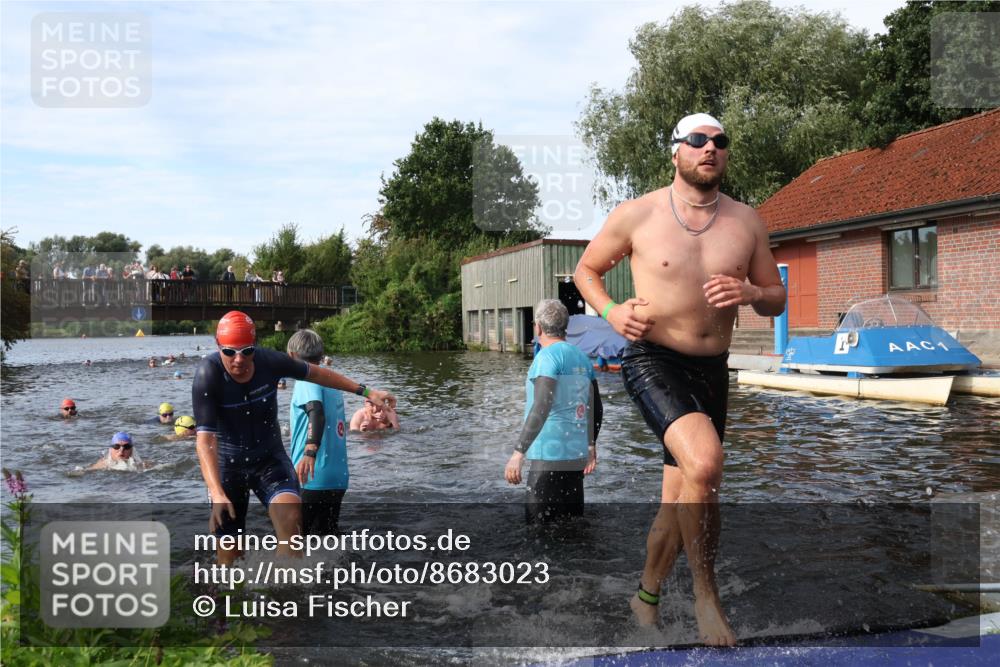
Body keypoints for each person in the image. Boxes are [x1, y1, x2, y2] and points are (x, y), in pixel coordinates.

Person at [573, 113, 786, 646]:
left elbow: (777, 295)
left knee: (682, 495)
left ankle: (644, 597)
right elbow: (586, 272)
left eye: (718, 142)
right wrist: (612, 312)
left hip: (713, 370)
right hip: (654, 360)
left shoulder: (746, 221)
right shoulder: (638, 213)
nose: (708, 149)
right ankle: (705, 598)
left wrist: (752, 295)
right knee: (707, 462)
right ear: (676, 153)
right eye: (696, 141)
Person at [192, 311, 396, 565]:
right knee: (230, 555)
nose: (239, 360)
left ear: (255, 346)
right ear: (218, 346)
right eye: (230, 352)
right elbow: (205, 441)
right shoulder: (207, 375)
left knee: (292, 522)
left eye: (246, 351)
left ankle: (288, 595)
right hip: (227, 468)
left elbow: (319, 374)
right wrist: (216, 492)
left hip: (269, 460)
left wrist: (366, 391)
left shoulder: (270, 361)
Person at [504, 300, 601, 523]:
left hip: (547, 457)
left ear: (538, 327)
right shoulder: (583, 359)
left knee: (537, 531)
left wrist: (519, 453)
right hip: (575, 458)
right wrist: (590, 445)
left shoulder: (546, 358)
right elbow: (596, 408)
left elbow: (542, 404)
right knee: (572, 529)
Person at [286, 329, 351, 535]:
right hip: (338, 477)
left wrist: (309, 452)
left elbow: (316, 411)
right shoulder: (333, 381)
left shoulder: (306, 379)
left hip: (311, 475)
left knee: (295, 544)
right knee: (326, 542)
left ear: (292, 356)